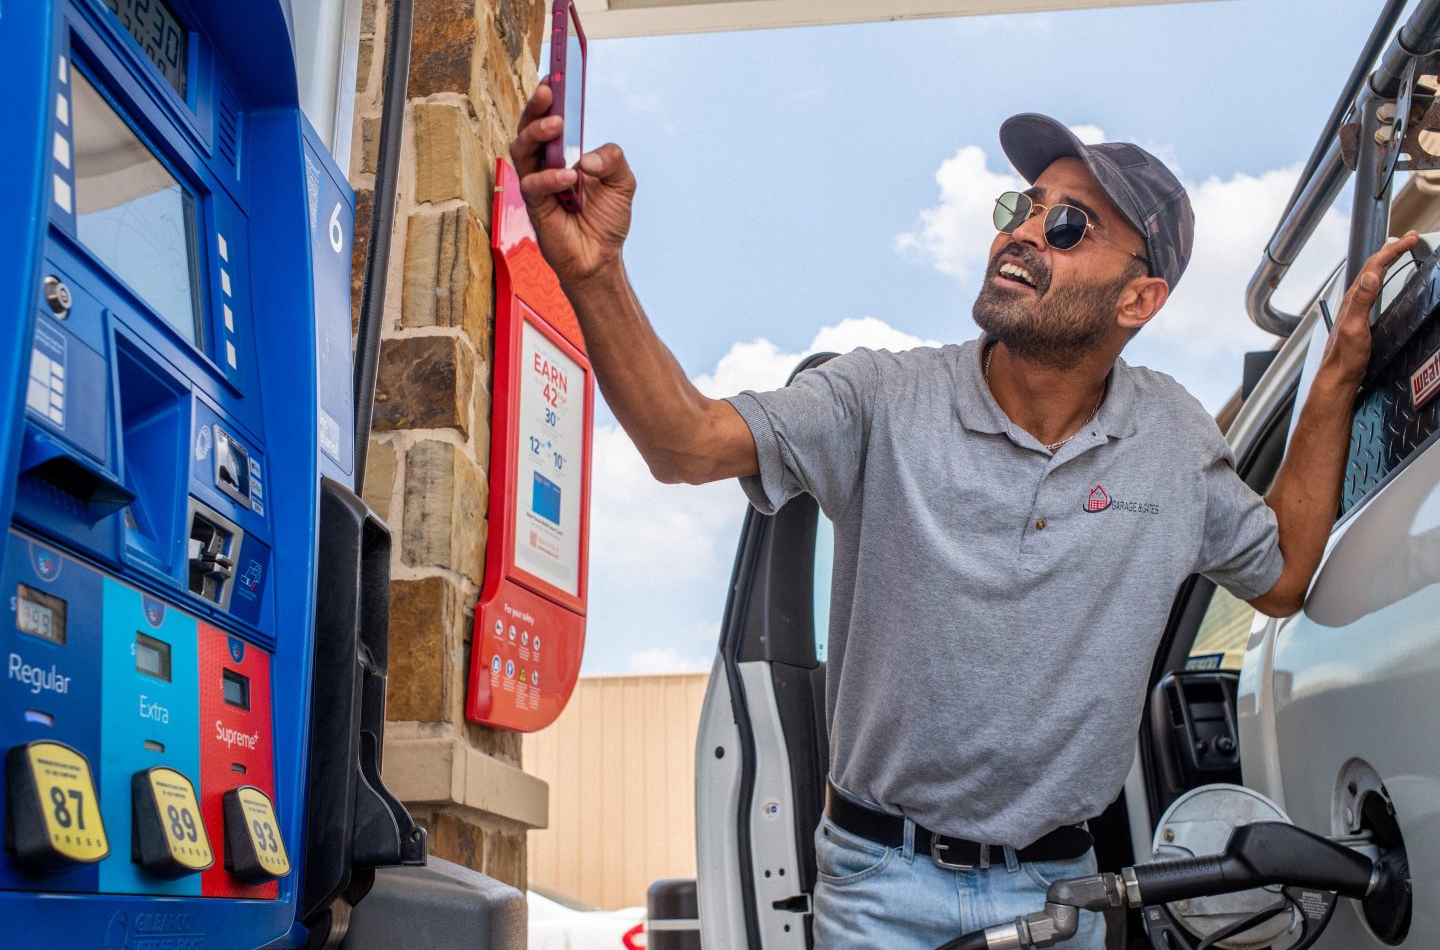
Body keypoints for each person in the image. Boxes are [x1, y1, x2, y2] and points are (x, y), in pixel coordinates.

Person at [509, 88, 1418, 949]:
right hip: (876, 888)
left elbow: (1288, 573)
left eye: (1068, 225)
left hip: (1063, 891)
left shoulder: (1172, 443)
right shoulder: (881, 399)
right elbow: (684, 442)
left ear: (1138, 300)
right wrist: (594, 271)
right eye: (1022, 207)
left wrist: (1335, 375)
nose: (1023, 232)